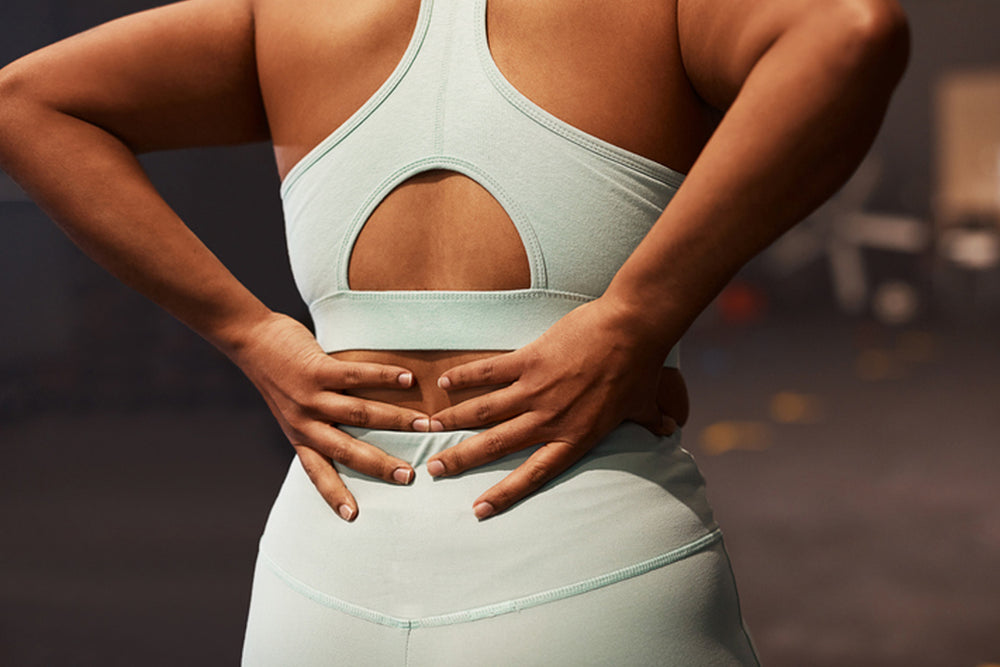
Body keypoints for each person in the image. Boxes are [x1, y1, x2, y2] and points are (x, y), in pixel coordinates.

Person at [0, 0, 908, 663]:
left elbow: (23, 101)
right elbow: (852, 32)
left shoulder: (288, 16)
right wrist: (637, 314)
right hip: (586, 571)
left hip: (318, 583)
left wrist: (247, 332)